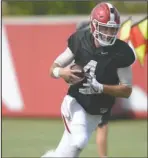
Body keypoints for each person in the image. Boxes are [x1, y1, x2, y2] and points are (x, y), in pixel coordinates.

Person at [41, 2, 135, 157]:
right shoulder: (80, 39)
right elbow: (53, 68)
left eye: (112, 28)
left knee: (66, 155)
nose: (108, 33)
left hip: (96, 112)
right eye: (105, 27)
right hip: (75, 102)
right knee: (80, 140)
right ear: (93, 25)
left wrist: (100, 87)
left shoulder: (122, 52)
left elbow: (126, 90)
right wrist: (61, 72)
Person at [76, 20, 110, 158]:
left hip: (80, 94)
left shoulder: (77, 51)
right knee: (101, 127)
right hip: (96, 93)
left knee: (78, 130)